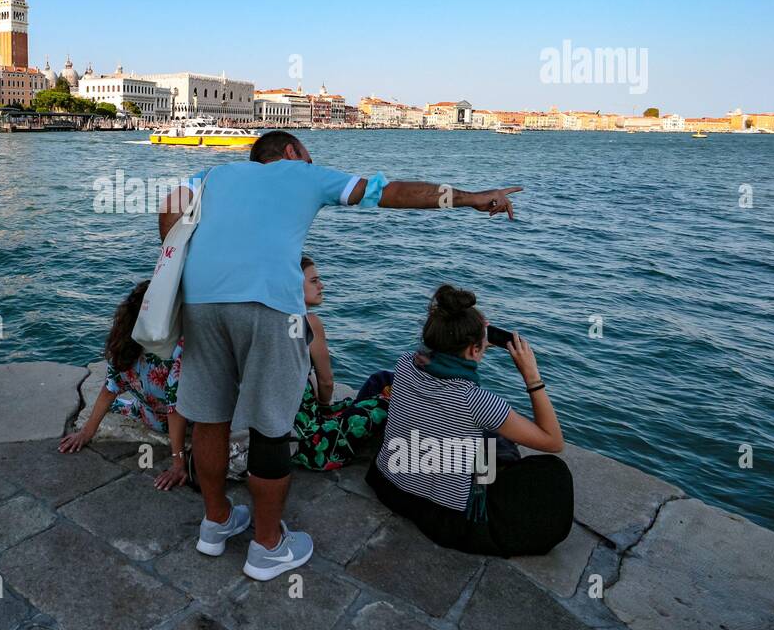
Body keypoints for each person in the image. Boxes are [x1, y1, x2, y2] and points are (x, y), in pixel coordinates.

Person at [158, 129, 522, 581]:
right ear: (292, 152)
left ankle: (214, 524)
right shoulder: (300, 173)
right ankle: (267, 548)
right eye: (307, 156)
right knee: (271, 427)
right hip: (270, 305)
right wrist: (470, 199)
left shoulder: (214, 173)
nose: (311, 162)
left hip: (201, 300)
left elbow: (169, 205)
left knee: (209, 418)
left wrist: (184, 263)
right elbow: (390, 193)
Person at [365, 284, 572, 556]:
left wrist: (464, 329)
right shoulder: (476, 401)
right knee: (552, 471)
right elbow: (553, 441)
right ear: (475, 350)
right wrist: (532, 376)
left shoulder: (404, 363)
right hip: (446, 516)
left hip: (389, 486)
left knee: (485, 440)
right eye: (482, 346)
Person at [58, 281, 189, 490]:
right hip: (186, 424)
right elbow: (175, 411)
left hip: (149, 416)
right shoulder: (176, 352)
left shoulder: (125, 347)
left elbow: (109, 389)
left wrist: (86, 433)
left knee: (121, 402)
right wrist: (178, 462)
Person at [291, 255, 387, 471]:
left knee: (378, 381)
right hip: (310, 445)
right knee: (383, 401)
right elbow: (326, 381)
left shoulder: (271, 319)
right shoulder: (309, 322)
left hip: (275, 432)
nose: (321, 285)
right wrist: (325, 407)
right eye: (314, 281)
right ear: (293, 284)